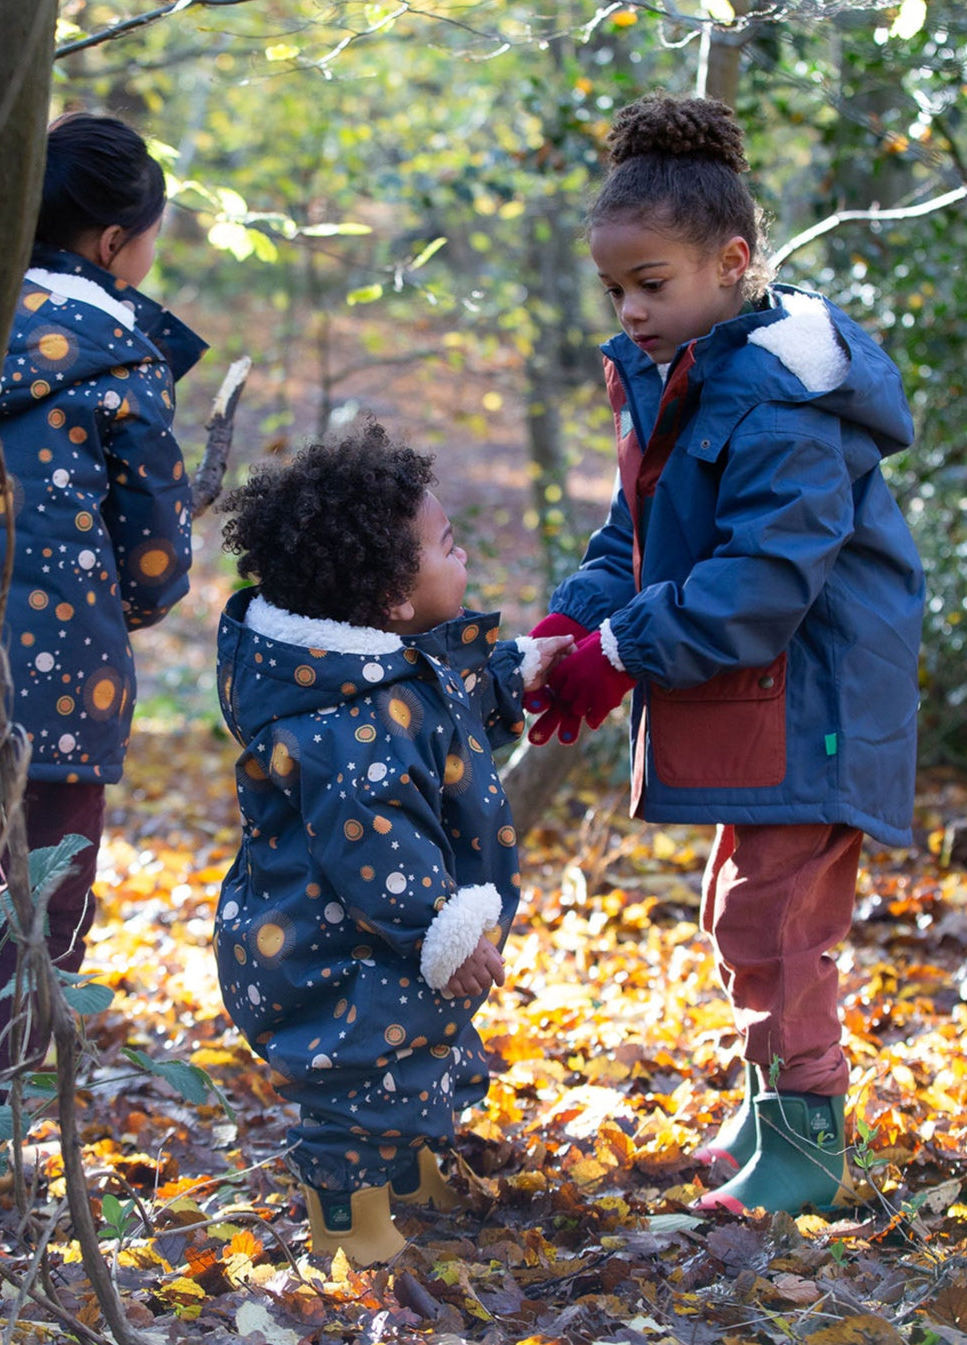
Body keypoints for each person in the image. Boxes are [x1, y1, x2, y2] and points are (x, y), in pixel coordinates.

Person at [525, 92, 924, 1216]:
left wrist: (623, 651)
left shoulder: (785, 400)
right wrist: (577, 627)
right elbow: (638, 537)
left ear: (733, 260)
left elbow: (760, 586)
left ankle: (808, 1136)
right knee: (739, 908)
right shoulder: (681, 375)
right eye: (615, 289)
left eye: (651, 284)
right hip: (764, 690)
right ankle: (767, 1111)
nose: (631, 310)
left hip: (820, 687)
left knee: (779, 919)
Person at [213, 422, 574, 1265]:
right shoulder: (345, 725)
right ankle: (347, 1222)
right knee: (361, 1073)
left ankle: (409, 1174)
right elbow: (377, 853)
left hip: (373, 934)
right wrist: (442, 933)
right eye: (447, 546)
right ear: (392, 601)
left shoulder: (372, 674)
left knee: (418, 1048)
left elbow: (439, 702)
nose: (462, 558)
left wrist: (515, 671)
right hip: (333, 940)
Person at [0, 113, 208, 1070]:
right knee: (40, 894)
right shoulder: (124, 355)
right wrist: (141, 600)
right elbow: (155, 557)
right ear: (114, 243)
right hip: (62, 686)